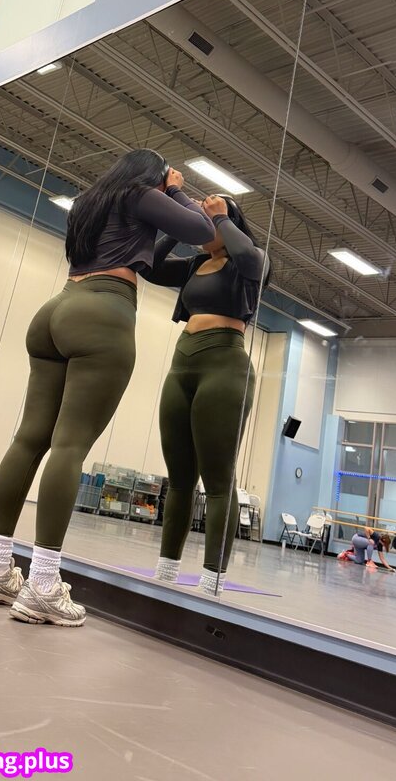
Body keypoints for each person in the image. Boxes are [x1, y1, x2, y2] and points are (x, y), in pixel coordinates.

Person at [0, 150, 214, 626]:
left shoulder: (88, 203)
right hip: (103, 313)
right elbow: (201, 230)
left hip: (55, 309)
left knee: (28, 439)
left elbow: (148, 259)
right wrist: (175, 189)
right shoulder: (140, 194)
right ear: (152, 176)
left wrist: (163, 216)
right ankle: (42, 585)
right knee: (70, 445)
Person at [140, 194, 267, 595]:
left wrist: (222, 217)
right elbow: (149, 266)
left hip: (225, 367)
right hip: (183, 366)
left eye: (210, 222)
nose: (204, 228)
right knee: (179, 478)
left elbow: (249, 259)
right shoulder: (196, 264)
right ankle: (166, 569)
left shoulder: (250, 260)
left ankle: (213, 576)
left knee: (218, 479)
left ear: (229, 224)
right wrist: (178, 227)